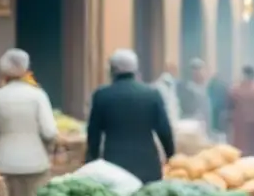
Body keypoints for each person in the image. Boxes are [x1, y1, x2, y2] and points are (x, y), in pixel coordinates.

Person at [0, 49, 58, 196]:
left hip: (4, 162)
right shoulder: (38, 95)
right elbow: (49, 131)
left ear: (3, 72)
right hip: (36, 162)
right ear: (26, 70)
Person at [86, 50, 174, 183]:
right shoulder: (152, 94)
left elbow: (93, 135)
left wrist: (92, 160)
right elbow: (164, 130)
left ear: (112, 70)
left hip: (114, 165)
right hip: (147, 164)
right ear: (135, 69)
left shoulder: (102, 96)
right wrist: (170, 156)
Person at [227, 65, 254, 158]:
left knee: (242, 152)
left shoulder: (235, 90)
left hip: (240, 126)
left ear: (244, 74)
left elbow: (229, 109)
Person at [179, 58, 212, 133]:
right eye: (196, 70)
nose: (199, 72)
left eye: (201, 69)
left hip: (206, 124)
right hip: (193, 125)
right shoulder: (188, 88)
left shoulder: (207, 87)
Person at [153, 63, 181, 130]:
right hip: (166, 118)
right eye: (173, 70)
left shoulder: (172, 84)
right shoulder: (162, 84)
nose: (176, 72)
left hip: (171, 118)